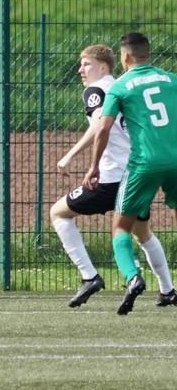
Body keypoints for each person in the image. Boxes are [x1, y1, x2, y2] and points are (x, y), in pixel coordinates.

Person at [53, 44, 174, 308]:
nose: (80, 70)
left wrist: (70, 155)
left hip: (110, 179)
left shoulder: (95, 90)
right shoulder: (125, 86)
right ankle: (167, 290)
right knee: (142, 233)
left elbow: (100, 124)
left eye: (86, 64)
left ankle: (89, 276)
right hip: (137, 175)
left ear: (103, 67)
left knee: (58, 213)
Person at [85, 32, 177, 315]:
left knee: (121, 227)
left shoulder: (120, 86)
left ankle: (133, 277)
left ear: (124, 56)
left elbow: (103, 128)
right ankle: (167, 289)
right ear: (148, 53)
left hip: (144, 163)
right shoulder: (171, 80)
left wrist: (94, 166)